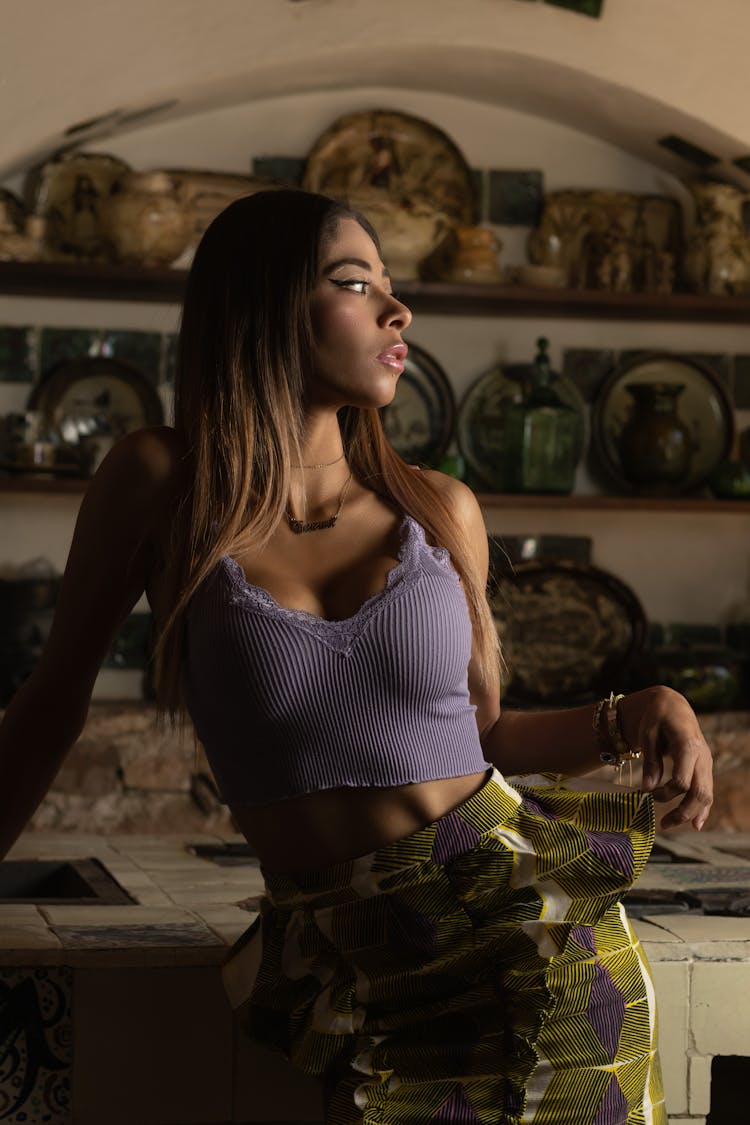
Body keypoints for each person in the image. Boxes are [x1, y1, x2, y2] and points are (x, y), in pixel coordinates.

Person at [0, 189, 713, 1124]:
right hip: (345, 960)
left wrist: (633, 710)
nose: (397, 309)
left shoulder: (438, 508)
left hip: (528, 944)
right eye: (354, 282)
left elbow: (479, 734)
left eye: (392, 285)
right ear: (260, 306)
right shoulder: (161, 484)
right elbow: (51, 704)